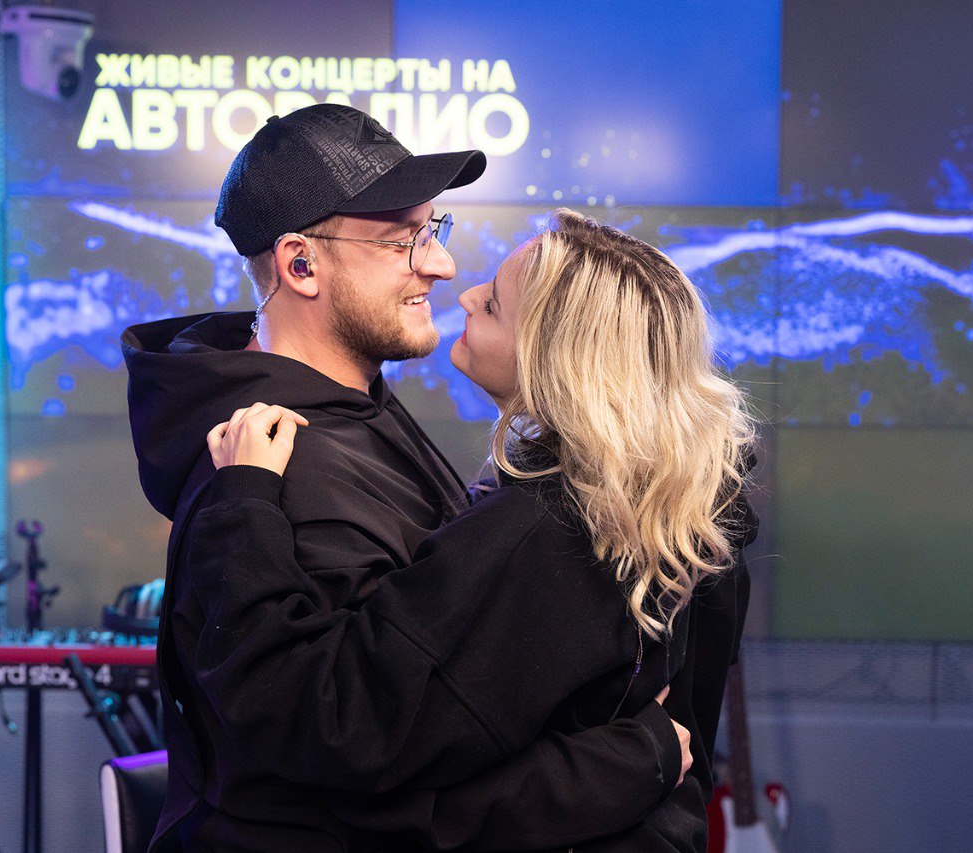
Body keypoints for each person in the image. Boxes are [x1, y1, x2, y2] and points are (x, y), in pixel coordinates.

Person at [122, 106, 700, 851]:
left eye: (434, 231)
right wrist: (622, 762)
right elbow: (341, 761)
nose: (442, 266)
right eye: (403, 242)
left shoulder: (354, 418)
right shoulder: (279, 466)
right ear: (301, 265)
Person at [197, 209, 759, 850]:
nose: (460, 292)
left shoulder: (542, 533)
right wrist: (634, 760)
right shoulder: (693, 520)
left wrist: (244, 503)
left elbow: (330, 723)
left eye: (491, 305)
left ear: (554, 360)